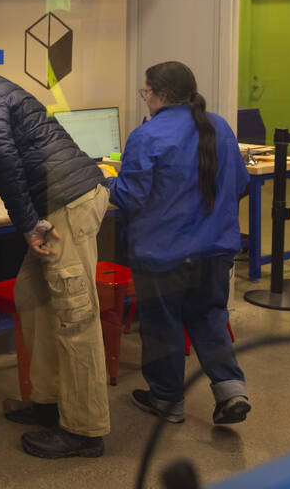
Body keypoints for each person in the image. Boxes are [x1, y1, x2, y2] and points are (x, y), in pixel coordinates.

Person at [0, 45, 110, 459]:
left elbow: (6, 164)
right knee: (32, 298)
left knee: (75, 316)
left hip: (66, 205)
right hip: (59, 203)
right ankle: (49, 403)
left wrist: (28, 225)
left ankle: (85, 431)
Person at [108, 61, 251, 425]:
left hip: (163, 255)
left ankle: (167, 400)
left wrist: (102, 181)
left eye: (145, 92)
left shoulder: (148, 135)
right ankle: (230, 390)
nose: (145, 99)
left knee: (162, 327)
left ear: (158, 95)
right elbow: (242, 185)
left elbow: (129, 197)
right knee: (209, 317)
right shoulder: (219, 127)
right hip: (215, 251)